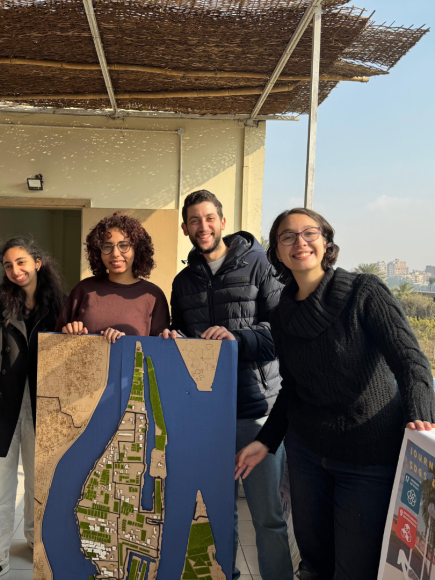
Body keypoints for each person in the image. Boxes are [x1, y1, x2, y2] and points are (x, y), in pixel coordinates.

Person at [235, 208, 435, 580]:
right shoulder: (281, 315)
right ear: (276, 252)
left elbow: (411, 361)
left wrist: (420, 417)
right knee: (313, 559)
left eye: (309, 233)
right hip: (308, 456)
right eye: (287, 237)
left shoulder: (364, 292)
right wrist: (265, 441)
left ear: (326, 241)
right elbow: (292, 388)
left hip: (368, 458)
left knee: (355, 566)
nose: (300, 243)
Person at [162, 190, 293, 580]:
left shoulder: (259, 266)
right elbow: (180, 335)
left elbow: (282, 333)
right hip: (205, 415)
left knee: (267, 516)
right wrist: (174, 338)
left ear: (222, 221)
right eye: (194, 221)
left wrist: (238, 337)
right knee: (219, 513)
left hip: (255, 413)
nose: (202, 227)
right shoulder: (183, 281)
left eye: (209, 218)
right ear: (186, 228)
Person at [0, 237, 66, 580]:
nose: (15, 270)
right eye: (8, 265)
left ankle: (34, 541)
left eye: (21, 262)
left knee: (41, 483)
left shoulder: (59, 303)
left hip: (44, 406)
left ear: (38, 262)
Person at [56, 211, 169, 341]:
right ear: (98, 251)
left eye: (124, 246)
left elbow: (160, 350)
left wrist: (124, 343)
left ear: (137, 250)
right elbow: (57, 339)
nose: (115, 253)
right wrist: (69, 332)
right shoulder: (83, 289)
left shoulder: (152, 295)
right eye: (107, 246)